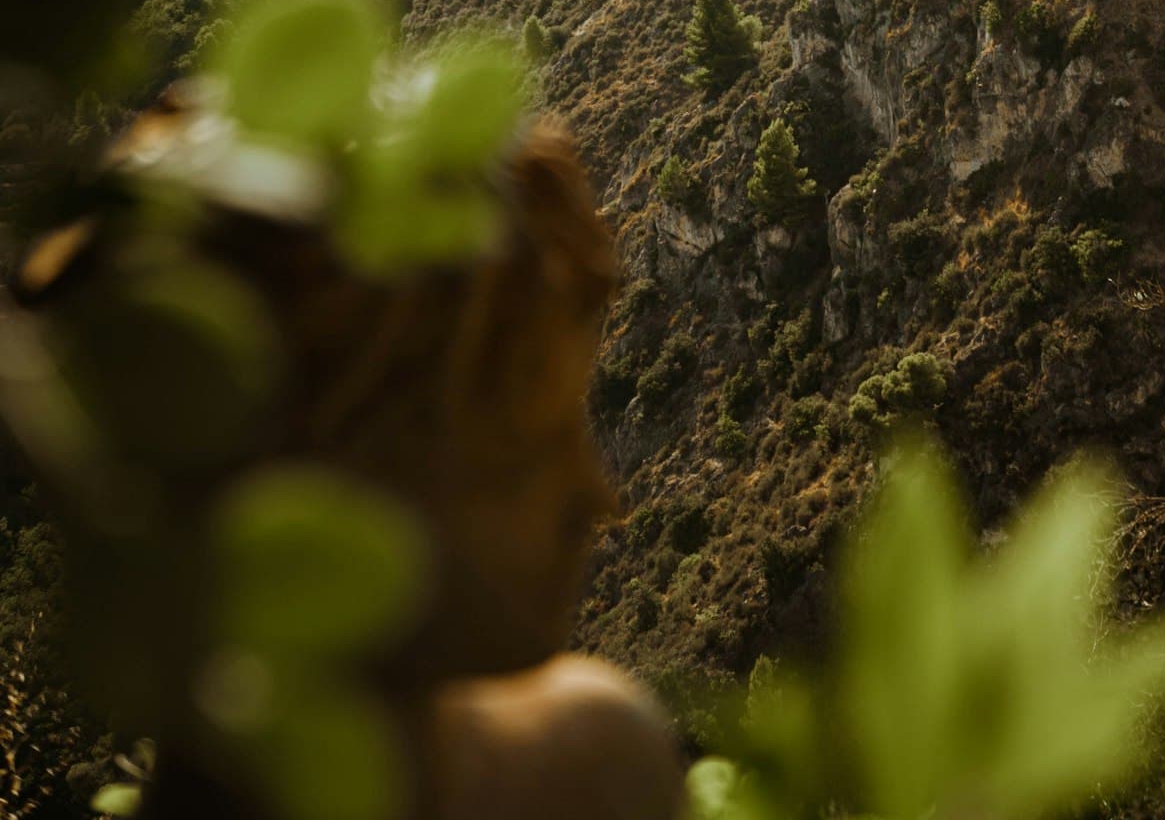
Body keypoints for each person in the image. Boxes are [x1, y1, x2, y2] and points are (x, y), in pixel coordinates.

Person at [20, 108, 684, 820]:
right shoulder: (589, 771)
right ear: (324, 476)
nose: (600, 497)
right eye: (524, 452)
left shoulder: (603, 763)